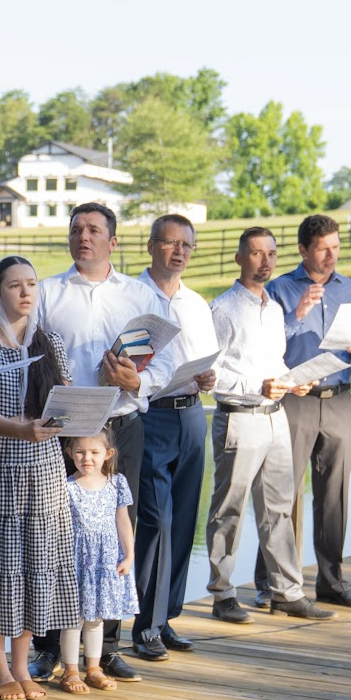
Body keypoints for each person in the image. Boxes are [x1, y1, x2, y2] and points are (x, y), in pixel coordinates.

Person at [31, 202, 157, 684]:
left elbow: (165, 363)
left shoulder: (138, 294)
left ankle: (107, 650)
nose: (83, 237)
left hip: (121, 424)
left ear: (113, 241)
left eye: (93, 230)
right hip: (65, 431)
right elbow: (33, 358)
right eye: (76, 229)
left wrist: (136, 380)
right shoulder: (48, 293)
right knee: (56, 535)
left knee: (117, 528)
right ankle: (48, 647)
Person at [204, 228, 335, 622]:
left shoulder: (275, 309)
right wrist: (256, 386)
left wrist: (294, 382)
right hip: (239, 418)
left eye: (272, 254)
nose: (266, 261)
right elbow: (209, 374)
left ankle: (286, 592)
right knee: (229, 510)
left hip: (276, 418)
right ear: (240, 258)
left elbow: (275, 362)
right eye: (257, 253)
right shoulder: (222, 309)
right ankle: (223, 594)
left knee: (279, 508)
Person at [0, 256, 79, 700]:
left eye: (31, 283)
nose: (26, 292)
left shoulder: (51, 342)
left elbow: (64, 404)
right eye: (15, 285)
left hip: (46, 469)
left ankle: (21, 664)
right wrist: (22, 429)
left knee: (37, 565)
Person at [257, 214, 351, 609]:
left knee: (334, 497)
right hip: (293, 402)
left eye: (336, 247)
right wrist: (297, 316)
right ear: (303, 250)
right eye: (323, 248)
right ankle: (270, 584)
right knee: (281, 494)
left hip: (340, 401)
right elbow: (265, 345)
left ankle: (332, 583)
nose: (331, 255)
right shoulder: (279, 289)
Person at [131, 215, 217, 659]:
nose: (179, 251)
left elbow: (206, 359)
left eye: (186, 244)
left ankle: (166, 619)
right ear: (151, 246)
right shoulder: (133, 297)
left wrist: (209, 377)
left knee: (184, 519)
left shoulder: (197, 304)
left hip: (193, 415)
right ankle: (144, 625)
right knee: (156, 521)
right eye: (170, 242)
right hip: (151, 416)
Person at [59, 432, 137, 693]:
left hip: (106, 561)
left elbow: (123, 520)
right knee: (73, 618)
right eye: (80, 452)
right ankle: (71, 671)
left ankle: (93, 669)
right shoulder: (66, 485)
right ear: (70, 453)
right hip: (75, 560)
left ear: (108, 454)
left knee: (96, 618)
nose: (87, 458)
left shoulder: (117, 483)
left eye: (94, 452)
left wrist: (129, 555)